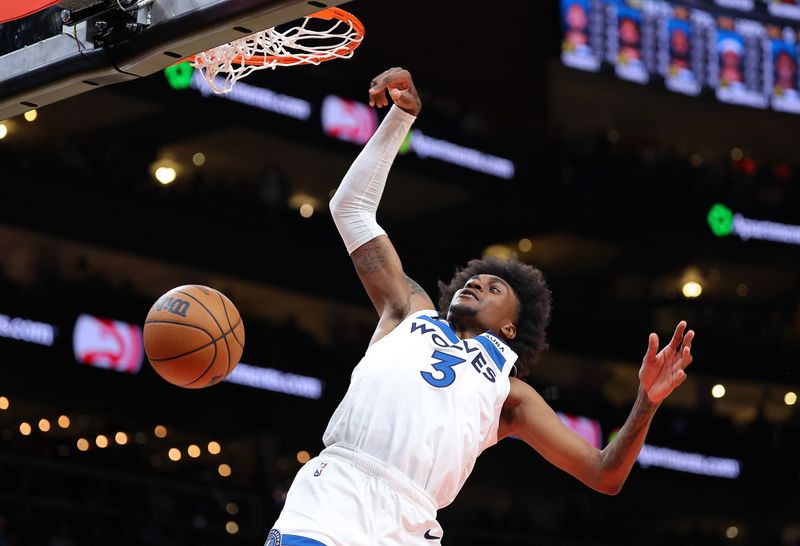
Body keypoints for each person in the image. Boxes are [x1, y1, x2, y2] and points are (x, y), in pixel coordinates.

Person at [266, 67, 695, 546]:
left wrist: (646, 402)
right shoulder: (410, 311)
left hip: (408, 524)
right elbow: (351, 209)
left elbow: (603, 474)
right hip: (333, 495)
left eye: (494, 289)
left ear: (512, 328)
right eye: (474, 280)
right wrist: (400, 119)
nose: (476, 284)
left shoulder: (509, 395)